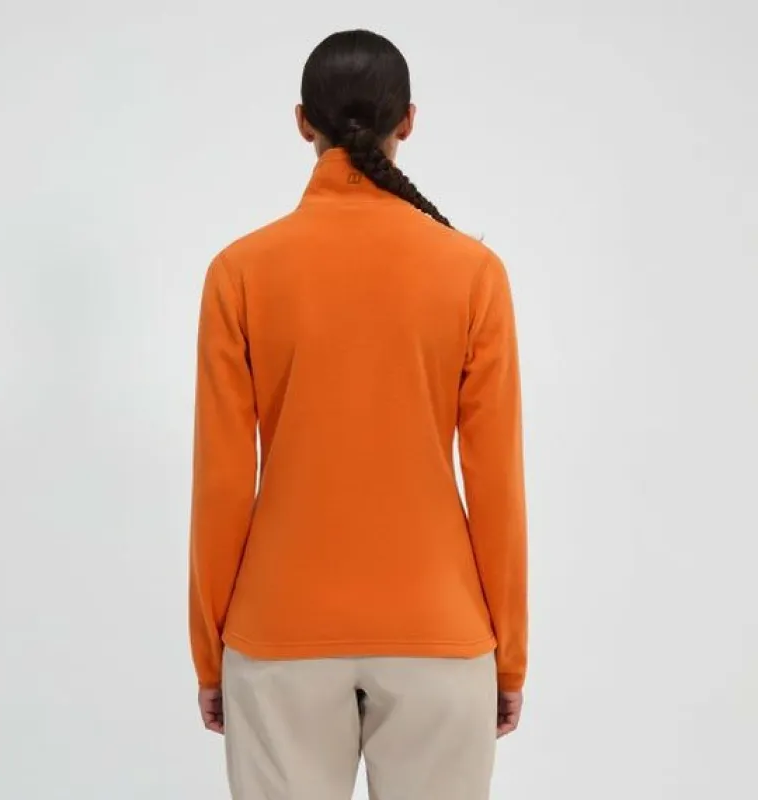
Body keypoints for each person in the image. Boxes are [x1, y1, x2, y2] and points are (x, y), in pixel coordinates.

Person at [188, 28, 528, 800]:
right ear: (407, 120)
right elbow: (497, 485)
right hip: (441, 639)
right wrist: (508, 655)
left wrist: (211, 654)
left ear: (301, 122)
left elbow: (221, 482)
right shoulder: (472, 273)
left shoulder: (239, 273)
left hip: (278, 635)